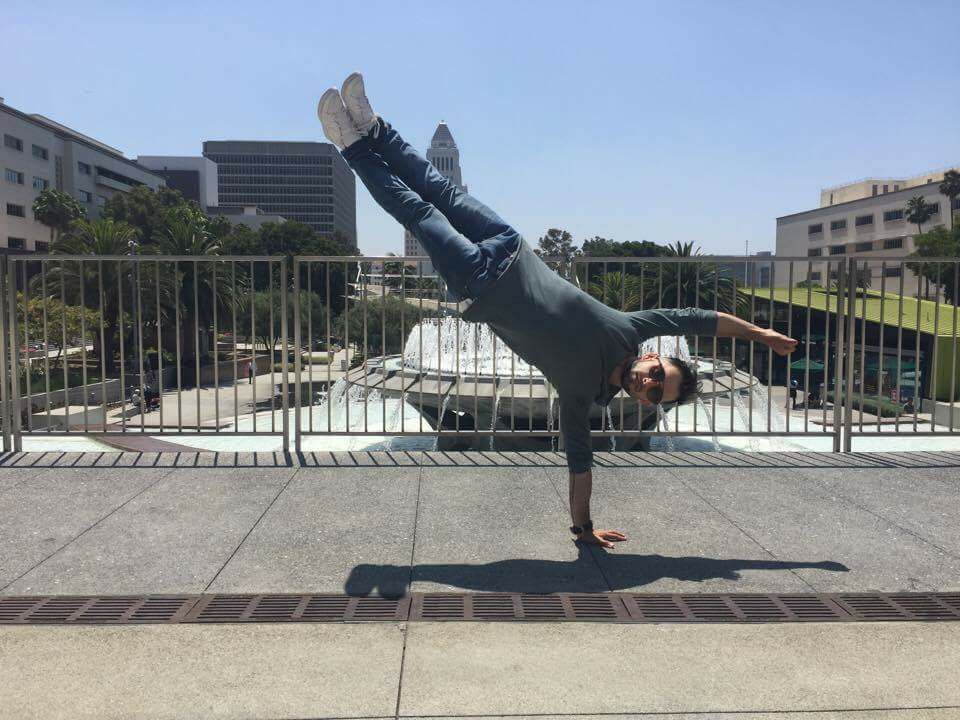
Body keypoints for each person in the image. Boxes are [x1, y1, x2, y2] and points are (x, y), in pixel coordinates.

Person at [318, 73, 798, 548]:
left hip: (477, 283)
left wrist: (584, 530)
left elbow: (580, 466)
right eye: (657, 375)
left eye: (655, 393)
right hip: (509, 245)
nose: (646, 383)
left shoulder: (580, 395)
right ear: (654, 358)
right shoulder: (631, 330)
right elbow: (696, 318)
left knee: (420, 212)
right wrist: (762, 335)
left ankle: (352, 145)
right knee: (440, 189)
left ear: (649, 404)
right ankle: (374, 128)